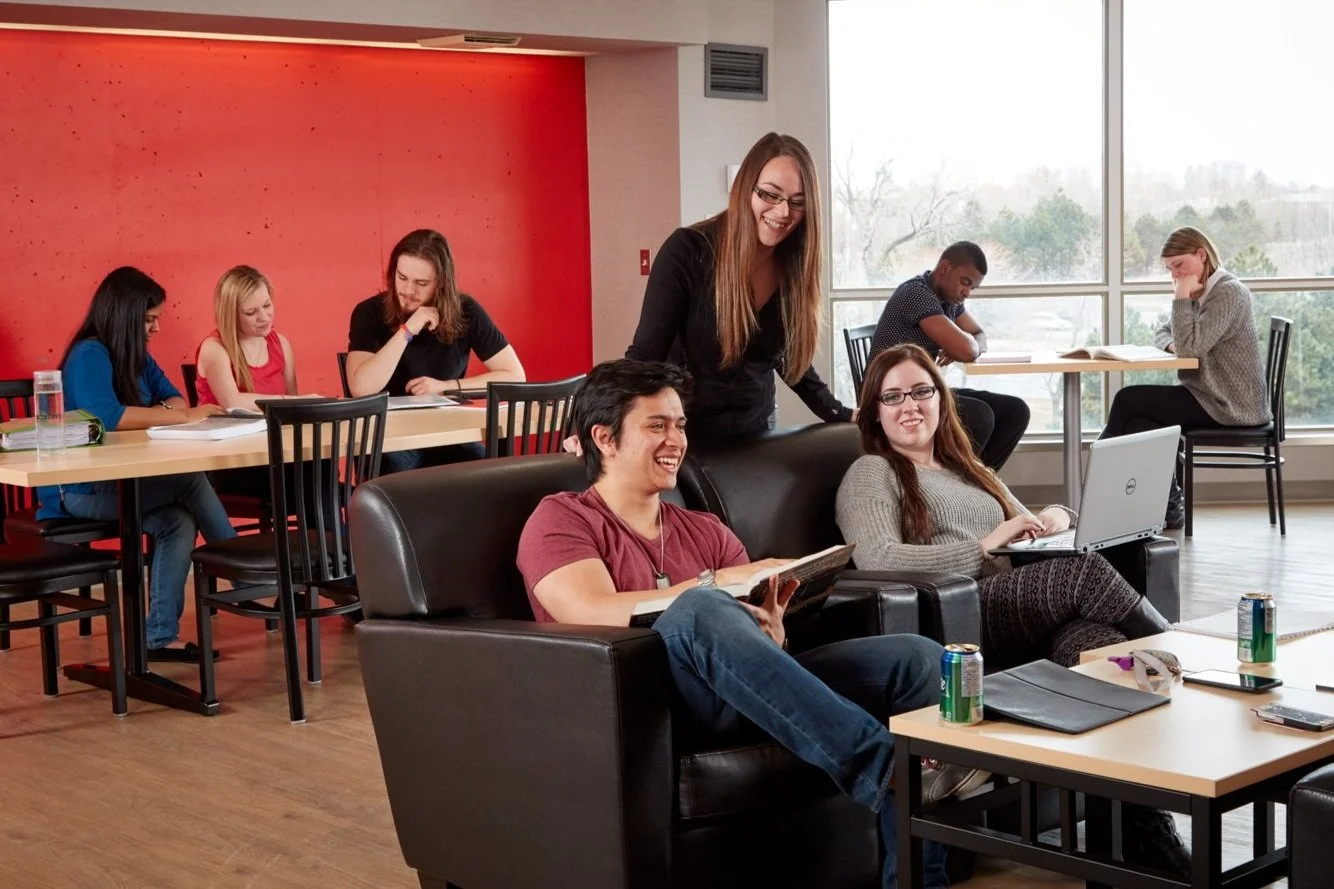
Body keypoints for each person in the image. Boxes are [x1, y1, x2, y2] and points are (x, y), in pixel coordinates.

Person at [517, 358, 973, 889]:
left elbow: (756, 631)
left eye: (681, 424)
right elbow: (587, 610)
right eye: (657, 425)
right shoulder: (562, 518)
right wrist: (711, 587)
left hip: (754, 689)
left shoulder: (704, 528)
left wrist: (772, 632)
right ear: (605, 438)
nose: (676, 440)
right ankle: (885, 768)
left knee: (916, 658)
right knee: (699, 609)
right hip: (656, 707)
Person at [835, 344, 1190, 875]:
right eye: (892, 397)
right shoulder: (872, 471)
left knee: (1087, 643)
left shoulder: (968, 467)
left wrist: (1052, 515)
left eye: (921, 391)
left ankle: (1141, 828)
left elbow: (1031, 520)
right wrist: (982, 546)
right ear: (875, 412)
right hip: (965, 613)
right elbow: (877, 555)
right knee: (1085, 573)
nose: (909, 406)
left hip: (1023, 602)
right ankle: (1180, 650)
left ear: (941, 398)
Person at [36, 267, 238, 663]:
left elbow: (176, 399)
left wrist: (166, 412)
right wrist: (174, 416)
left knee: (178, 521)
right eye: (148, 320)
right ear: (124, 316)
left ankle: (158, 638)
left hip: (123, 483)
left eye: (157, 318)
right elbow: (108, 417)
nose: (156, 328)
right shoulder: (89, 354)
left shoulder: (137, 357)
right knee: (190, 480)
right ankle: (244, 570)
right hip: (79, 491)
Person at [625, 132, 852, 440]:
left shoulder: (793, 266)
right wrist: (599, 426)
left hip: (756, 435)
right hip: (684, 437)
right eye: (770, 194)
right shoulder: (687, 251)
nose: (784, 212)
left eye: (798, 202)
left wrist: (841, 413)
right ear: (745, 189)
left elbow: (790, 359)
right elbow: (644, 357)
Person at [1100, 227, 1270, 529]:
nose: (1175, 274)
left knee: (1128, 399)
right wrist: (1174, 341)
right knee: (1142, 424)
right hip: (1206, 394)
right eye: (1170, 269)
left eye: (1179, 265)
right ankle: (1170, 507)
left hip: (1231, 404)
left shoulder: (1228, 292)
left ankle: (1100, 483)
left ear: (1201, 255)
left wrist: (1180, 297)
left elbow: (1191, 347)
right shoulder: (1201, 290)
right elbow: (1164, 332)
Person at [345, 229, 525, 471]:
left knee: (489, 472)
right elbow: (360, 387)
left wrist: (445, 386)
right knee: (398, 476)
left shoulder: (466, 311)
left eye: (421, 283)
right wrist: (407, 330)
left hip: (447, 434)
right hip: (388, 441)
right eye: (402, 277)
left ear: (441, 283)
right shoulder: (368, 313)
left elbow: (514, 376)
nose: (408, 290)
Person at [869, 242, 1030, 470]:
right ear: (944, 268)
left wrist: (962, 344)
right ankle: (957, 485)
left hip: (921, 392)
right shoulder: (916, 293)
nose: (967, 292)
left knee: (1015, 410)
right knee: (981, 415)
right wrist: (961, 346)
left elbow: (979, 335)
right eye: (965, 282)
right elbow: (968, 349)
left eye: (972, 288)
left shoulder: (950, 301)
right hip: (894, 396)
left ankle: (977, 487)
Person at [194, 265, 334, 526]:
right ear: (231, 315)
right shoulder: (214, 349)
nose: (264, 317)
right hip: (235, 464)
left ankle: (324, 555)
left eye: (267, 305)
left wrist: (300, 404)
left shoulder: (280, 343)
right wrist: (303, 400)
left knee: (322, 466)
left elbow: (293, 414)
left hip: (278, 457)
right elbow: (234, 403)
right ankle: (330, 555)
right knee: (319, 480)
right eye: (251, 312)